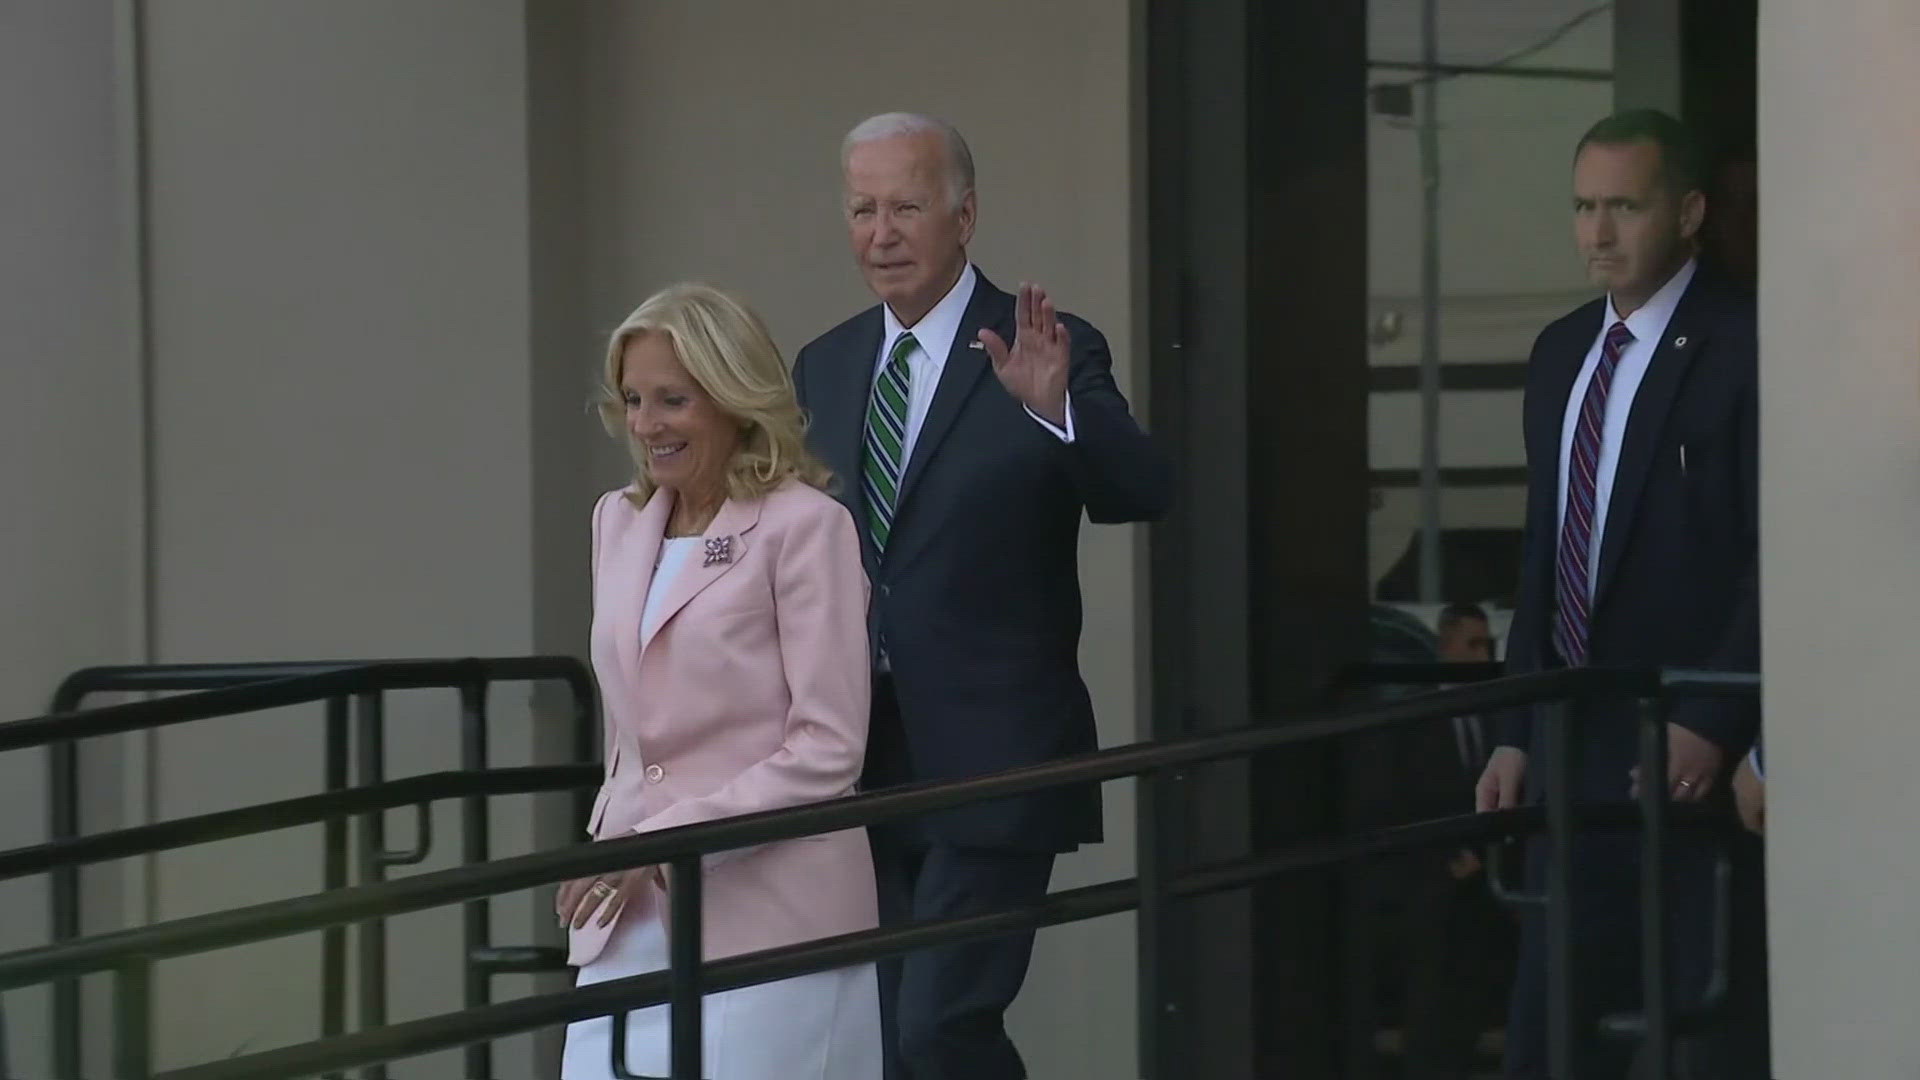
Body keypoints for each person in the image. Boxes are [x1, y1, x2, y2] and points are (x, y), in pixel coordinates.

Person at [791, 112, 1171, 1080]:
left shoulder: (1048, 345)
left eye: (907, 207)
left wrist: (1056, 414)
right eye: (863, 208)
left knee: (938, 1028)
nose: (881, 232)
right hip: (859, 759)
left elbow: (1142, 490)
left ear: (966, 217)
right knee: (882, 1040)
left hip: (993, 760)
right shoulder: (825, 366)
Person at [1473, 110, 1766, 1078]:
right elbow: (1542, 547)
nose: (1597, 233)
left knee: (1700, 1027)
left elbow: (1777, 557)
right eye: (1583, 207)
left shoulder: (1747, 343)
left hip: (1681, 743)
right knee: (1552, 1028)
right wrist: (1514, 727)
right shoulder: (1561, 352)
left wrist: (1716, 713)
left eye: (1624, 207)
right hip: (1569, 736)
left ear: (1686, 211)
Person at [556, 283, 881, 1080]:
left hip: (773, 911)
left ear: (735, 400)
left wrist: (669, 841)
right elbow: (633, 736)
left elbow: (828, 749)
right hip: (625, 905)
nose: (645, 424)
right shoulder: (617, 523)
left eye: (673, 399)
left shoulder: (806, 527)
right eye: (633, 399)